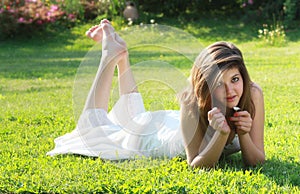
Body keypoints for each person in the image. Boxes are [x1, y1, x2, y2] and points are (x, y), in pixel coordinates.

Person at [47, 19, 265, 168]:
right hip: (155, 137)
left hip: (169, 121)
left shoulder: (252, 94)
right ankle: (108, 56)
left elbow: (256, 160)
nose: (230, 90)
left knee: (134, 116)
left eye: (235, 79)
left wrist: (243, 134)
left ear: (243, 76)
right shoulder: (191, 101)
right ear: (205, 84)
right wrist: (221, 134)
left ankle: (122, 57)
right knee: (93, 130)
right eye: (219, 83)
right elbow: (199, 165)